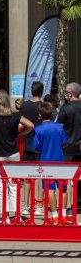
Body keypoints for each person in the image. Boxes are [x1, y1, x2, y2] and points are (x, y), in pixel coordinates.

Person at [0, 90, 34, 224]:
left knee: (0, 186)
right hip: (13, 154)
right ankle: (16, 215)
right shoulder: (15, 115)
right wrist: (20, 134)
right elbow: (31, 125)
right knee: (14, 184)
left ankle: (4, 216)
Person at [32, 103, 69, 225]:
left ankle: (54, 215)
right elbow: (64, 143)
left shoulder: (37, 129)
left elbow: (35, 148)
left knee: (50, 189)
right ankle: (63, 213)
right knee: (63, 188)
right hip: (60, 161)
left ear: (40, 115)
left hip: (46, 163)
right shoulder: (59, 127)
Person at [56, 82, 81, 216]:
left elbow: (59, 128)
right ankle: (78, 204)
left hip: (67, 148)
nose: (64, 94)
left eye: (66, 92)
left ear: (70, 94)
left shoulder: (65, 108)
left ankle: (66, 206)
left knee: (66, 179)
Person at [19, 81, 43, 215]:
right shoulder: (44, 106)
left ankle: (25, 205)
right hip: (40, 144)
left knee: (27, 175)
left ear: (31, 90)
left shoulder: (24, 106)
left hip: (27, 143)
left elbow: (20, 124)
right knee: (40, 175)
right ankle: (39, 205)